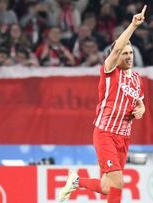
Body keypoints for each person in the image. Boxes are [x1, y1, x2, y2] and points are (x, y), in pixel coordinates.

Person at [58, 5, 147, 203]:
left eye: (130, 53)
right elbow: (116, 48)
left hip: (123, 138)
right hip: (105, 132)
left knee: (108, 187)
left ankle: (76, 181)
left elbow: (140, 103)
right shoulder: (109, 71)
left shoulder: (137, 79)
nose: (128, 56)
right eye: (124, 53)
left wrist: (140, 109)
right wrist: (133, 25)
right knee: (119, 182)